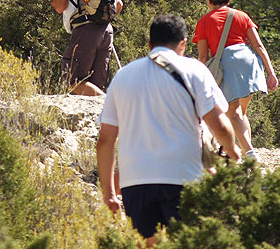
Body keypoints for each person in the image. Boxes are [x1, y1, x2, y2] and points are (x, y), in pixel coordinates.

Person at [97, 15, 241, 247]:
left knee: (149, 244)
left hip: (136, 183)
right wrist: (234, 152)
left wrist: (109, 193)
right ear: (183, 43)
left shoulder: (123, 76)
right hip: (184, 177)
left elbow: (105, 141)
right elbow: (219, 125)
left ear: (150, 44)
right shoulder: (194, 70)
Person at [192, 0, 278, 162]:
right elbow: (259, 46)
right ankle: (232, 149)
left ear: (208, 0)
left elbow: (202, 57)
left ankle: (249, 153)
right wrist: (271, 73)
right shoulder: (241, 16)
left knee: (234, 113)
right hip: (249, 62)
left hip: (228, 64)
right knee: (240, 112)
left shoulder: (204, 22)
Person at [50, 0, 123, 96]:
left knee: (72, 80)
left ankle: (111, 103)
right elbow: (118, 5)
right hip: (106, 30)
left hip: (84, 30)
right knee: (94, 84)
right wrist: (99, 19)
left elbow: (60, 6)